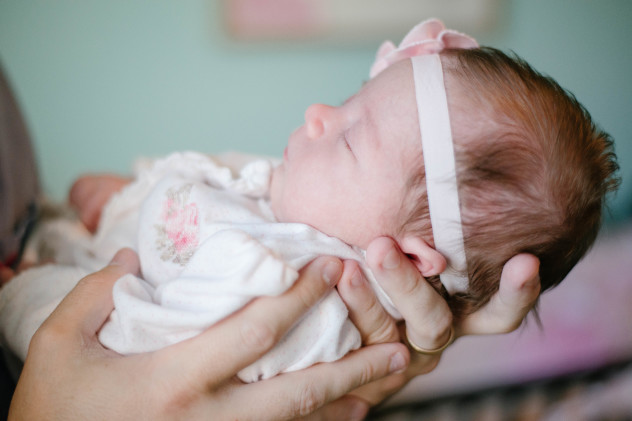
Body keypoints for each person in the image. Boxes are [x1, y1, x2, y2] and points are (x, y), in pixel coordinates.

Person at [0, 18, 618, 384]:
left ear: (405, 255)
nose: (318, 116)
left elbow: (120, 350)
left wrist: (26, 292)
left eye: (350, 138)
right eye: (349, 99)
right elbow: (213, 185)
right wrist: (123, 195)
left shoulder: (292, 296)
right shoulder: (297, 205)